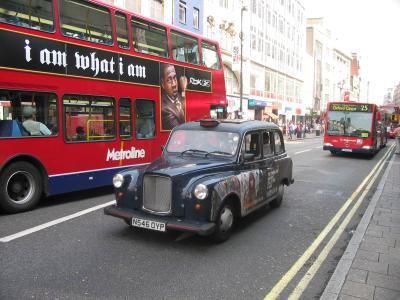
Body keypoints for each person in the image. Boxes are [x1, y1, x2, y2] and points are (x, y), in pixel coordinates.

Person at [160, 63, 187, 130]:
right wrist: (184, 91)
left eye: (175, 78)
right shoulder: (164, 109)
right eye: (169, 80)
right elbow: (180, 129)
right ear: (163, 84)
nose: (174, 84)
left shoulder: (179, 96)